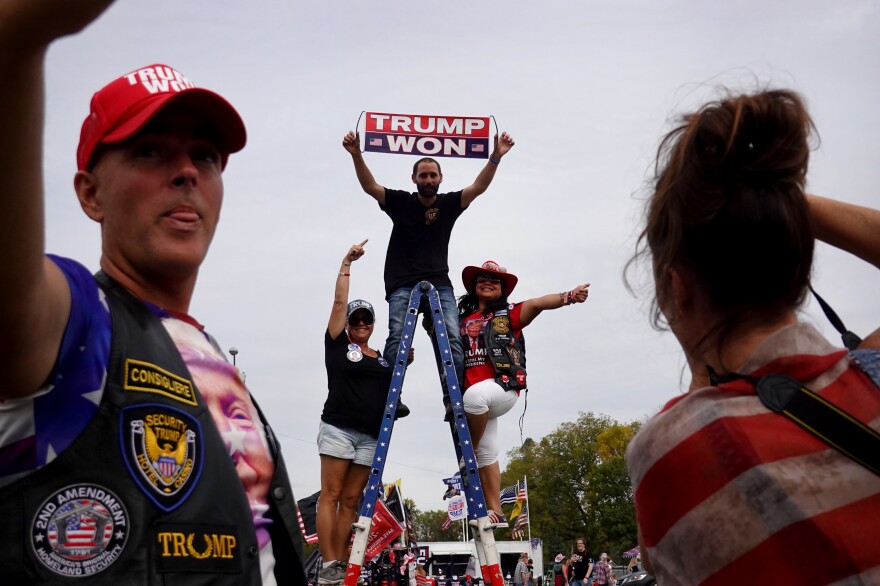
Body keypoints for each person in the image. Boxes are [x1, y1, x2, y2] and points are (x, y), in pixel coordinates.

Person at [0, 1, 307, 583]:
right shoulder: (76, 321)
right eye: (150, 150)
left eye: (206, 157)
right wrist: (19, 40)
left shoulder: (211, 355)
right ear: (90, 195)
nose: (187, 171)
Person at [625, 89, 880, 583]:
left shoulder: (664, 453)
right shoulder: (871, 380)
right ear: (795, 259)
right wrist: (774, 202)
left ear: (677, 289)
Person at [341, 129, 516, 417]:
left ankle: (454, 398)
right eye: (423, 175)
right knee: (398, 337)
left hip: (439, 282)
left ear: (440, 178)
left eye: (433, 175)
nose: (428, 180)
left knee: (451, 337)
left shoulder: (447, 204)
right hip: (401, 283)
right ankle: (391, 397)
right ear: (414, 179)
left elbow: (478, 187)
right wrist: (356, 154)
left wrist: (496, 156)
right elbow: (370, 186)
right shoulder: (401, 202)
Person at [458, 260, 589, 525]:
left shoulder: (510, 314)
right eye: (482, 278)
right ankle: (495, 511)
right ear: (473, 286)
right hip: (476, 403)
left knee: (474, 399)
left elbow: (538, 303)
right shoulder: (461, 320)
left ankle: (466, 456)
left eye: (494, 280)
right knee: (488, 454)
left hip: (502, 388)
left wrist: (569, 297)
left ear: (502, 289)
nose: (487, 282)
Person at [317, 241, 394, 585]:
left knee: (351, 499)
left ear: (373, 323)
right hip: (338, 428)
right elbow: (338, 303)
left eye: (366, 319)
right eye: (355, 318)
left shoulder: (381, 357)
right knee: (331, 495)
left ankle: (344, 563)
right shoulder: (337, 342)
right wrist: (346, 263)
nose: (360, 323)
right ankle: (329, 563)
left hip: (371, 436)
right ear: (348, 323)